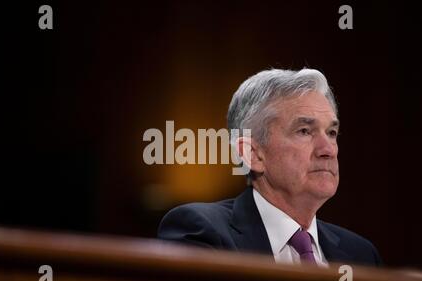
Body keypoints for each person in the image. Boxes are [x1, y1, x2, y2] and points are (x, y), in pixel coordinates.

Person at [157, 68, 382, 267]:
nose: (329, 150)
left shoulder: (361, 255)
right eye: (304, 131)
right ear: (253, 154)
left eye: (331, 133)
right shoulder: (202, 233)